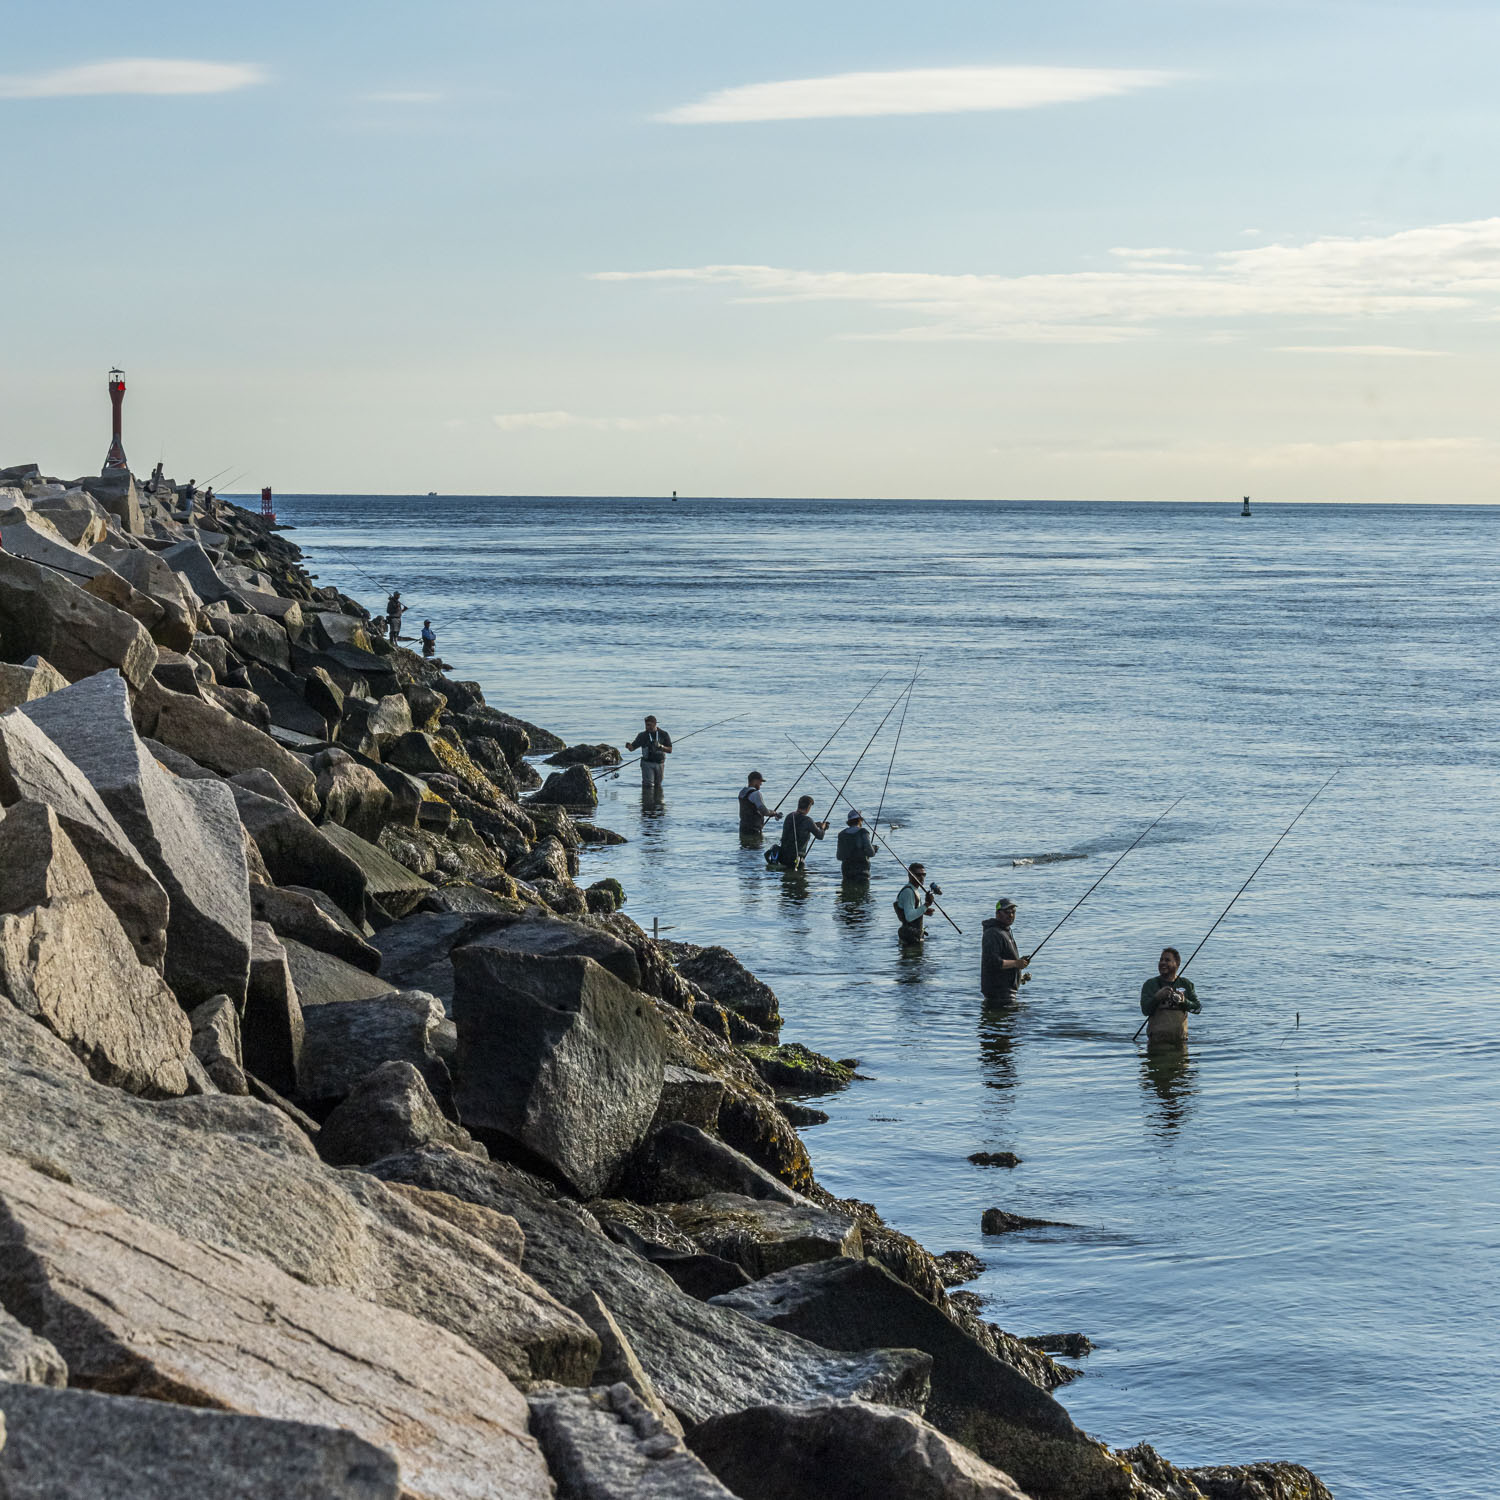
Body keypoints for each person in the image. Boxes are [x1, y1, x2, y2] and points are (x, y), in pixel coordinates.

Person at [1140, 947, 1201, 1037]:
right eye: (1161, 960)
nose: (1162, 963)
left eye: (1167, 960)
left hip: (1180, 1042)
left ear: (1177, 964)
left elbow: (1197, 1009)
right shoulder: (1150, 984)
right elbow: (1145, 1010)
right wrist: (1157, 997)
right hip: (1156, 1042)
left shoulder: (1186, 984)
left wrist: (1183, 1001)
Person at [981, 898, 1032, 1001]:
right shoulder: (992, 933)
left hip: (1007, 992)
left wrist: (1019, 968)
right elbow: (993, 962)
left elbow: (1006, 960)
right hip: (999, 994)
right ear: (998, 913)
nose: (1011, 915)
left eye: (1013, 912)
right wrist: (1016, 963)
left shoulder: (1005, 931)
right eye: (1007, 912)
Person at [626, 715, 673, 798]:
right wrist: (628, 746)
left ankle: (657, 804)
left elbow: (670, 750)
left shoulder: (663, 734)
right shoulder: (642, 735)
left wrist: (661, 746)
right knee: (648, 785)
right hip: (647, 763)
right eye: (646, 725)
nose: (647, 727)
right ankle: (647, 803)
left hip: (660, 763)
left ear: (655, 724)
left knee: (658, 785)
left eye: (649, 725)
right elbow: (632, 748)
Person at [777, 795, 827, 869]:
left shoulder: (789, 816)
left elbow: (798, 828)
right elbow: (820, 836)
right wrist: (823, 828)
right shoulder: (808, 820)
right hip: (796, 858)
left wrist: (814, 825)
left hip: (783, 855)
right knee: (799, 878)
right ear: (809, 807)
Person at [894, 862, 936, 945]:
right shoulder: (908, 892)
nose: (922, 877)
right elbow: (909, 917)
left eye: (924, 875)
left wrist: (923, 911)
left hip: (914, 935)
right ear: (910, 875)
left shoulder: (914, 890)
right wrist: (926, 905)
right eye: (918, 875)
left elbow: (912, 910)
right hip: (909, 937)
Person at [836, 809, 876, 880]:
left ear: (849, 822)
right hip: (862, 873)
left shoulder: (841, 834)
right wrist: (874, 849)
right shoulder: (863, 832)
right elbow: (871, 853)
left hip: (846, 873)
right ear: (860, 820)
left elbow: (839, 857)